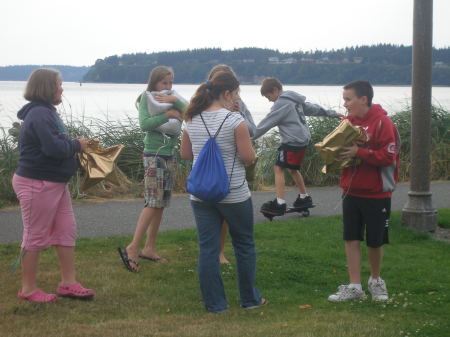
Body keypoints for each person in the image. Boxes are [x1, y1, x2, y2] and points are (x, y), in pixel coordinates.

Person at [180, 71, 265, 313]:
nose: (236, 98)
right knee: (244, 244)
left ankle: (215, 304)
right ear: (227, 93)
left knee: (208, 248)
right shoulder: (234, 120)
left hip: (201, 195)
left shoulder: (191, 120)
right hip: (234, 192)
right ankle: (250, 300)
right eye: (236, 93)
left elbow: (186, 155)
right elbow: (248, 158)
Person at [12, 68, 94, 303]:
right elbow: (54, 149)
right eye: (59, 84)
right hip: (36, 182)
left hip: (56, 184)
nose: (62, 88)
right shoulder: (39, 114)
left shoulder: (48, 113)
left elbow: (57, 143)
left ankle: (68, 283)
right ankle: (28, 289)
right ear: (47, 87)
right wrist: (77, 145)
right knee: (34, 235)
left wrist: (72, 145)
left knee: (66, 230)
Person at [327, 80, 400, 302]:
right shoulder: (348, 122)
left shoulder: (382, 122)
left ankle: (376, 281)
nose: (345, 104)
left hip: (377, 193)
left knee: (375, 241)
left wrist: (359, 152)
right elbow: (340, 151)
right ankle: (355, 286)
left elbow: (389, 157)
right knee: (351, 238)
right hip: (351, 191)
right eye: (344, 99)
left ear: (363, 99)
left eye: (348, 99)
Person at [118, 66, 185, 272]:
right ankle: (133, 247)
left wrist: (175, 103)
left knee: (161, 203)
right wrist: (169, 115)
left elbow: (190, 111)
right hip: (154, 154)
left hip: (169, 154)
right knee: (152, 201)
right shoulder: (146, 98)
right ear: (154, 82)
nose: (168, 87)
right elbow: (145, 124)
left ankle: (149, 248)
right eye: (164, 83)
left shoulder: (173, 98)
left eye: (171, 83)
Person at [253, 77, 342, 215]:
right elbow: (313, 109)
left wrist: (249, 138)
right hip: (302, 141)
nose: (269, 100)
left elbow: (267, 123)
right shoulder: (295, 100)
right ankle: (304, 197)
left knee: (278, 168)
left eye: (269, 96)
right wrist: (331, 113)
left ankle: (280, 203)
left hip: (292, 141)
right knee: (292, 169)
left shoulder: (281, 103)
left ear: (276, 90)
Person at [207, 64, 257, 264]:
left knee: (226, 213)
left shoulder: (239, 103)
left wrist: (239, 115)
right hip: (209, 163)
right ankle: (211, 252)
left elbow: (253, 130)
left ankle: (218, 252)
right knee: (210, 212)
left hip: (232, 164)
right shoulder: (203, 103)